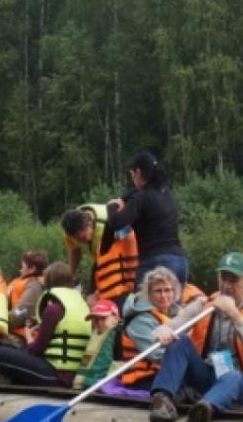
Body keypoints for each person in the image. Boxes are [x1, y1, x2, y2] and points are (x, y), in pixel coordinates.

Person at [147, 252, 243, 422]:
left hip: (242, 386)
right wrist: (161, 331)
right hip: (207, 375)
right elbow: (173, 325)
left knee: (233, 376)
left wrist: (235, 315)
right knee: (180, 342)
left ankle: (202, 410)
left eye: (233, 280)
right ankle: (162, 400)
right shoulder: (204, 304)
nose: (226, 285)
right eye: (223, 278)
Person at [0, 263, 93, 387]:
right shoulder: (84, 307)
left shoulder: (53, 310)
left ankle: (5, 378)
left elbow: (36, 351)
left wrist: (29, 336)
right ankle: (9, 378)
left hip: (56, 376)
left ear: (49, 282)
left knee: (0, 353)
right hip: (73, 374)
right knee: (16, 351)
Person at [106, 151, 188, 287]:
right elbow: (135, 193)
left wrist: (111, 206)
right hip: (179, 262)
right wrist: (122, 199)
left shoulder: (141, 198)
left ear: (137, 172)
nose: (132, 178)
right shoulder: (167, 193)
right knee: (173, 307)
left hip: (155, 262)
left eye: (131, 174)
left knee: (138, 306)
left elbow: (116, 223)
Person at [113, 266, 185, 390]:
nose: (163, 296)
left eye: (167, 290)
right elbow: (156, 355)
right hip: (143, 378)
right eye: (158, 291)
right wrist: (185, 357)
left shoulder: (175, 314)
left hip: (164, 374)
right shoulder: (140, 320)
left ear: (174, 292)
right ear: (149, 294)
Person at [61, 204, 139, 304]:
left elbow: (129, 235)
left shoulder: (107, 222)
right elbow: (75, 251)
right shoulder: (69, 235)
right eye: (78, 240)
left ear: (89, 224)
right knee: (91, 297)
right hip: (99, 262)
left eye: (84, 238)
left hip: (119, 258)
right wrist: (70, 274)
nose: (83, 241)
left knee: (112, 292)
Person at [74, 299, 123, 389]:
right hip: (88, 386)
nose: (99, 323)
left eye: (103, 318)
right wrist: (78, 384)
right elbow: (85, 363)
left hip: (105, 387)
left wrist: (107, 386)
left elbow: (119, 363)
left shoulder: (118, 335)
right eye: (95, 319)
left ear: (115, 318)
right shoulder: (94, 335)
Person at [6, 250, 49, 338]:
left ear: (32, 269)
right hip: (15, 331)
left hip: (22, 336)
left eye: (23, 267)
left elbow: (23, 311)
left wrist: (1, 322)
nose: (20, 270)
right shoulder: (26, 282)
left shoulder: (35, 285)